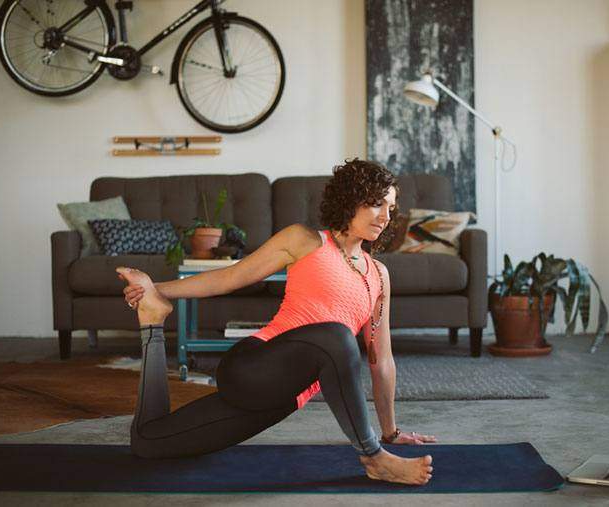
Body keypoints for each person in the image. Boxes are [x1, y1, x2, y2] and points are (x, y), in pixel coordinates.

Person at [116, 158, 436, 485]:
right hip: (252, 367)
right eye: (376, 203)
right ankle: (373, 458)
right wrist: (157, 289)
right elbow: (231, 277)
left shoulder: (379, 275)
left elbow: (381, 360)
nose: (385, 216)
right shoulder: (306, 240)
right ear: (352, 198)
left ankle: (152, 322)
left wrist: (391, 431)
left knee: (150, 442)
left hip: (283, 397)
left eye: (391, 208)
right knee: (337, 336)